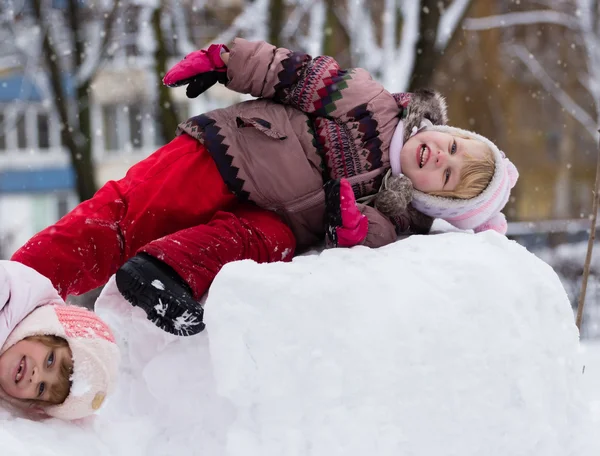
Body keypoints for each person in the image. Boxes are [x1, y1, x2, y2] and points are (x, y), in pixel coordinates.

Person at [9, 38, 518, 341]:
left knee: (262, 244)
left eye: (448, 175)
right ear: (445, 129)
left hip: (272, 220)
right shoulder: (372, 103)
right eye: (453, 145)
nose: (441, 156)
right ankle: (18, 288)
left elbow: (359, 247)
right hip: (231, 152)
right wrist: (227, 60)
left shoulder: (401, 219)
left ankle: (163, 273)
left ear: (437, 201)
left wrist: (352, 229)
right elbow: (294, 73)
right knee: (127, 216)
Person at [0, 260, 119, 420]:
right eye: (50, 360)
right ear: (45, 329)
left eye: (42, 388)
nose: (35, 376)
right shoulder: (7, 289)